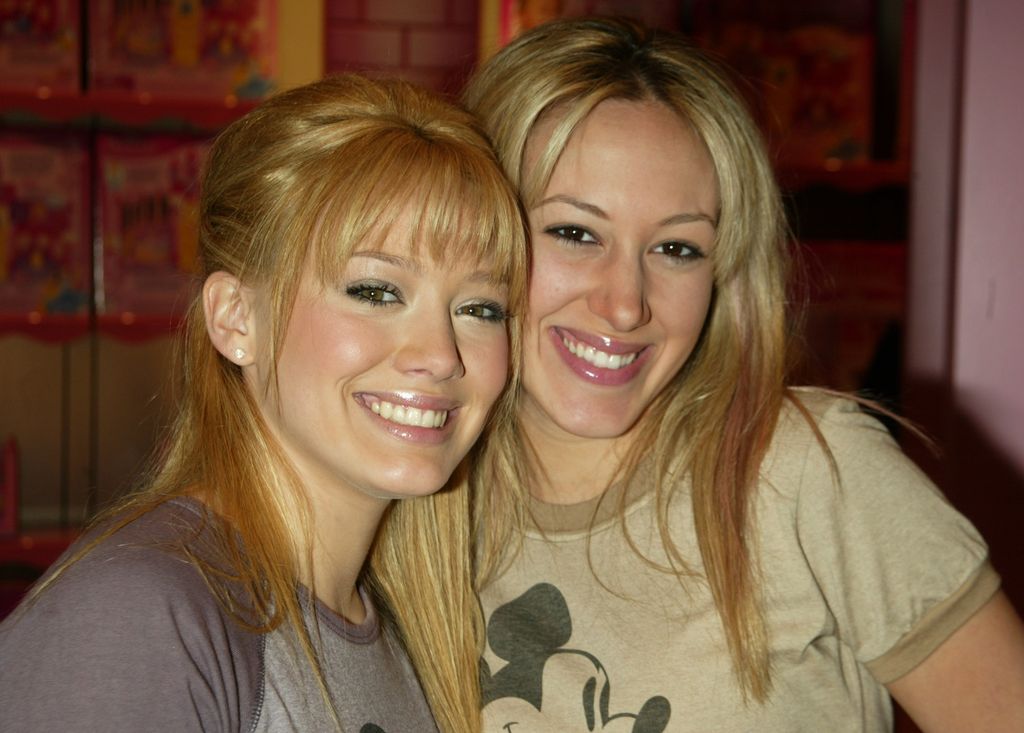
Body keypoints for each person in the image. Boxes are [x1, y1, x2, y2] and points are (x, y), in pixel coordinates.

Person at [463, 16, 1024, 732]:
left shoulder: (806, 470)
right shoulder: (423, 497)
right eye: (575, 232)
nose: (626, 302)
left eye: (676, 247)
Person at [0, 73, 527, 732]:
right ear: (236, 318)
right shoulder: (140, 620)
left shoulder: (405, 636)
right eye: (375, 291)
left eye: (479, 307)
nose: (442, 353)